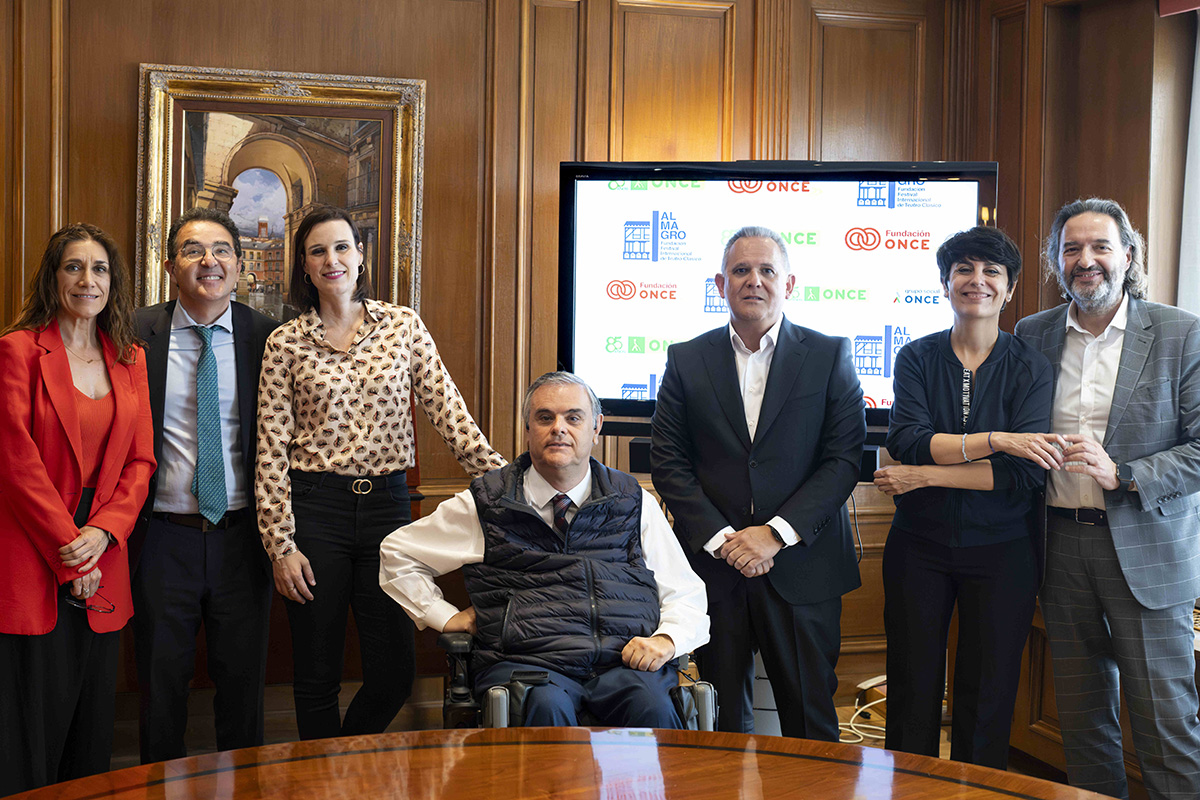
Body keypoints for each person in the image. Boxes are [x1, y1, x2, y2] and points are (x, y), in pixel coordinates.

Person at [256, 205, 505, 740]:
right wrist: (280, 544)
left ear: (361, 254)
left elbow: (449, 411)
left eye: (342, 247)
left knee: (394, 673)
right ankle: (321, 781)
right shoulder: (285, 343)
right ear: (304, 265)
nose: (332, 259)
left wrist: (506, 482)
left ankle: (346, 760)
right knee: (316, 672)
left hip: (389, 512)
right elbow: (271, 448)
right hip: (314, 511)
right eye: (318, 250)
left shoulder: (402, 326)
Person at [379, 372, 709, 726]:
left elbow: (685, 591)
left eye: (573, 417)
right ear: (527, 429)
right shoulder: (488, 503)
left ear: (595, 427)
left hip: (625, 664)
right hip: (529, 667)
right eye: (545, 417)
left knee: (655, 710)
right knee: (545, 707)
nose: (559, 428)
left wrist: (667, 639)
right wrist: (444, 616)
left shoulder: (633, 500)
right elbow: (397, 554)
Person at [1015, 198, 1200, 800]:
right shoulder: (1032, 334)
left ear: (1128, 255)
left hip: (1146, 549)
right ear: (1055, 261)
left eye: (1099, 247)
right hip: (1058, 544)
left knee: (1165, 723)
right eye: (1071, 249)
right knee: (1082, 719)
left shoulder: (1180, 331)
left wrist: (1123, 474)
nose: (1085, 260)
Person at [650, 225, 865, 739]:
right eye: (740, 270)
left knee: (811, 723)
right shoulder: (685, 358)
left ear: (789, 284)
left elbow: (842, 460)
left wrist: (773, 534)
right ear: (720, 285)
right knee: (720, 724)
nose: (754, 280)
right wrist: (727, 541)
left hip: (802, 567)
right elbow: (669, 462)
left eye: (767, 269)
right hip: (714, 571)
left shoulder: (830, 355)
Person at [872, 226, 1058, 769]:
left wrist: (924, 476)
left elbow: (1024, 476)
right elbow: (906, 441)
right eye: (964, 270)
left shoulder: (1031, 367)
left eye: (991, 272)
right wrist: (997, 441)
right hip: (919, 546)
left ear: (1011, 288)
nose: (977, 281)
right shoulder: (916, 357)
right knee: (911, 685)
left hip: (1004, 550)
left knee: (989, 693)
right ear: (945, 282)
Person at [0, 223, 155, 794]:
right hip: (34, 551)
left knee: (91, 727)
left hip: (103, 550)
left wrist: (104, 533)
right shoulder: (17, 351)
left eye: (100, 269)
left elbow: (142, 462)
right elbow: (16, 462)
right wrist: (73, 553)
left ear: (113, 283)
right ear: (53, 276)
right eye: (74, 267)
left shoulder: (129, 357)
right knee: (31, 724)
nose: (88, 280)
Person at [131, 207, 279, 763]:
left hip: (244, 538)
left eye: (221, 250)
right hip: (162, 536)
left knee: (242, 691)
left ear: (239, 266)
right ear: (171, 266)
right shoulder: (134, 333)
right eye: (193, 250)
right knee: (159, 684)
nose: (208, 261)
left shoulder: (268, 338)